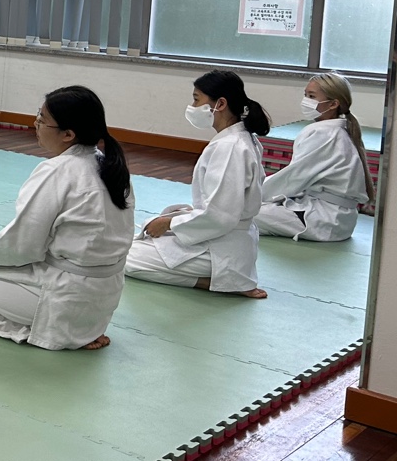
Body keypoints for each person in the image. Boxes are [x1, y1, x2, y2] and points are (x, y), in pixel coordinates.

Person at [0, 85, 134, 351]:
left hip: (67, 293)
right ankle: (79, 329)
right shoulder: (111, 166)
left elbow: (23, 240)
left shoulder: (57, 171)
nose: (35, 124)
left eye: (42, 120)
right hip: (104, 294)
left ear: (68, 134)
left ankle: (41, 332)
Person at [125, 69, 269, 298]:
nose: (192, 106)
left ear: (220, 104)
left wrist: (169, 223)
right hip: (224, 238)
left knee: (127, 258)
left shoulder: (230, 147)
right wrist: (174, 219)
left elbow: (221, 216)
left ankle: (218, 281)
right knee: (141, 238)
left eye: (196, 99)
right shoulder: (238, 138)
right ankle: (226, 278)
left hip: (221, 248)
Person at [256, 73, 372, 242]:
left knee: (243, 213)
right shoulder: (338, 131)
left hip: (325, 218)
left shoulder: (324, 134)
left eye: (312, 96)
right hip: (337, 217)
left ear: (333, 104)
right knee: (248, 208)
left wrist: (253, 193)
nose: (306, 100)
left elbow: (293, 178)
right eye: (305, 95)